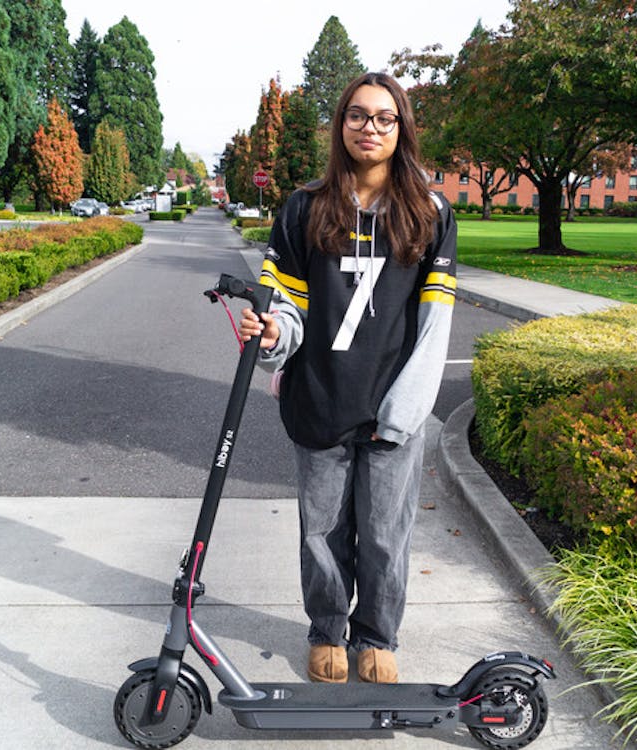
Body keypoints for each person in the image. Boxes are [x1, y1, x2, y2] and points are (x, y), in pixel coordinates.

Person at [238, 72, 457, 685]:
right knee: (323, 533)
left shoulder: (431, 211)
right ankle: (327, 629)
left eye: (385, 118)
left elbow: (436, 321)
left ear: (402, 128)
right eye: (358, 116)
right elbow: (287, 305)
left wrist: (408, 408)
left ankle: (378, 635)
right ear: (341, 126)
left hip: (393, 406)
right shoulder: (305, 206)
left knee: (386, 535)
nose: (370, 128)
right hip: (320, 397)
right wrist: (276, 335)